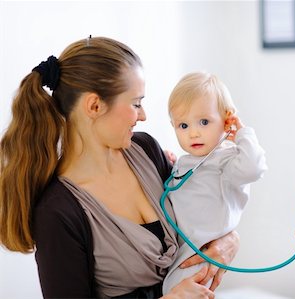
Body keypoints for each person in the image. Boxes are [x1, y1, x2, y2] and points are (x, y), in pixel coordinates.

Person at [0, 36, 240, 299]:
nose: (143, 115)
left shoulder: (147, 151)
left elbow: (201, 211)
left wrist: (229, 240)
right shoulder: (58, 213)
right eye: (136, 103)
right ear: (94, 106)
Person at [162, 72, 267, 294]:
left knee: (179, 289)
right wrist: (171, 167)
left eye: (204, 122)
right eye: (183, 126)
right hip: (182, 250)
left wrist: (242, 133)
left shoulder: (226, 159)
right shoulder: (187, 161)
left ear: (226, 120)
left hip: (203, 253)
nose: (194, 133)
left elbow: (253, 168)